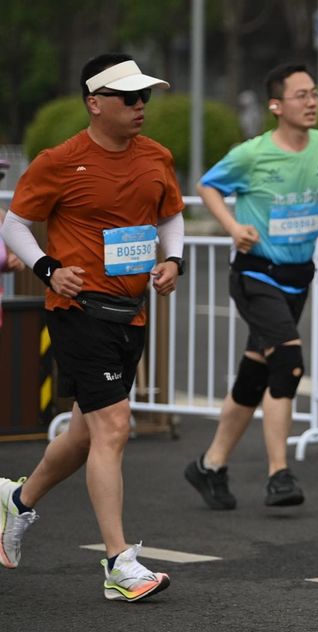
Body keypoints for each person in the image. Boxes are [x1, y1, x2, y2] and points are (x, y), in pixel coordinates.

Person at [0, 53, 183, 601]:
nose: (140, 105)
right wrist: (49, 270)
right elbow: (15, 223)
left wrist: (173, 260)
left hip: (132, 314)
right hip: (79, 316)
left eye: (145, 96)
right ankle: (119, 564)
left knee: (83, 434)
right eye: (129, 98)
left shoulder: (157, 156)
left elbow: (170, 213)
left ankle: (17, 502)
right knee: (113, 430)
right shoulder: (61, 160)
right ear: (94, 102)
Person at [183, 64, 318, 510]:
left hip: (298, 276)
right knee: (288, 360)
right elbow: (206, 186)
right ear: (276, 106)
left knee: (255, 371)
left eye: (314, 93)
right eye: (301, 95)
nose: (312, 101)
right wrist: (232, 227)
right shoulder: (252, 153)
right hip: (256, 273)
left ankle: (211, 464)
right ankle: (279, 473)